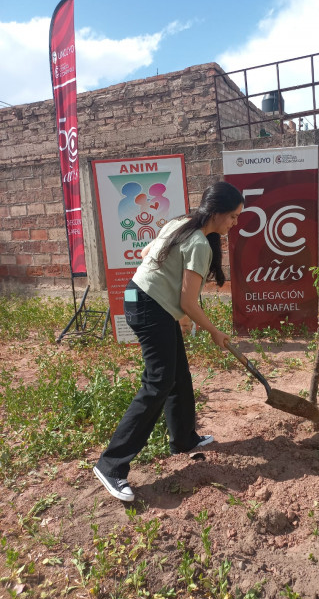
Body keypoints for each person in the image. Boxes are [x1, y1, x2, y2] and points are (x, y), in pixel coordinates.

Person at [94, 181, 244, 502]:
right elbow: (188, 303)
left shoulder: (179, 222)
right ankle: (111, 465)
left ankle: (184, 439)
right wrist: (214, 331)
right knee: (158, 382)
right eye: (232, 217)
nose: (234, 223)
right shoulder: (200, 245)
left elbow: (147, 251)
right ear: (217, 214)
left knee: (177, 374)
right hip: (150, 307)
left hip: (138, 296)